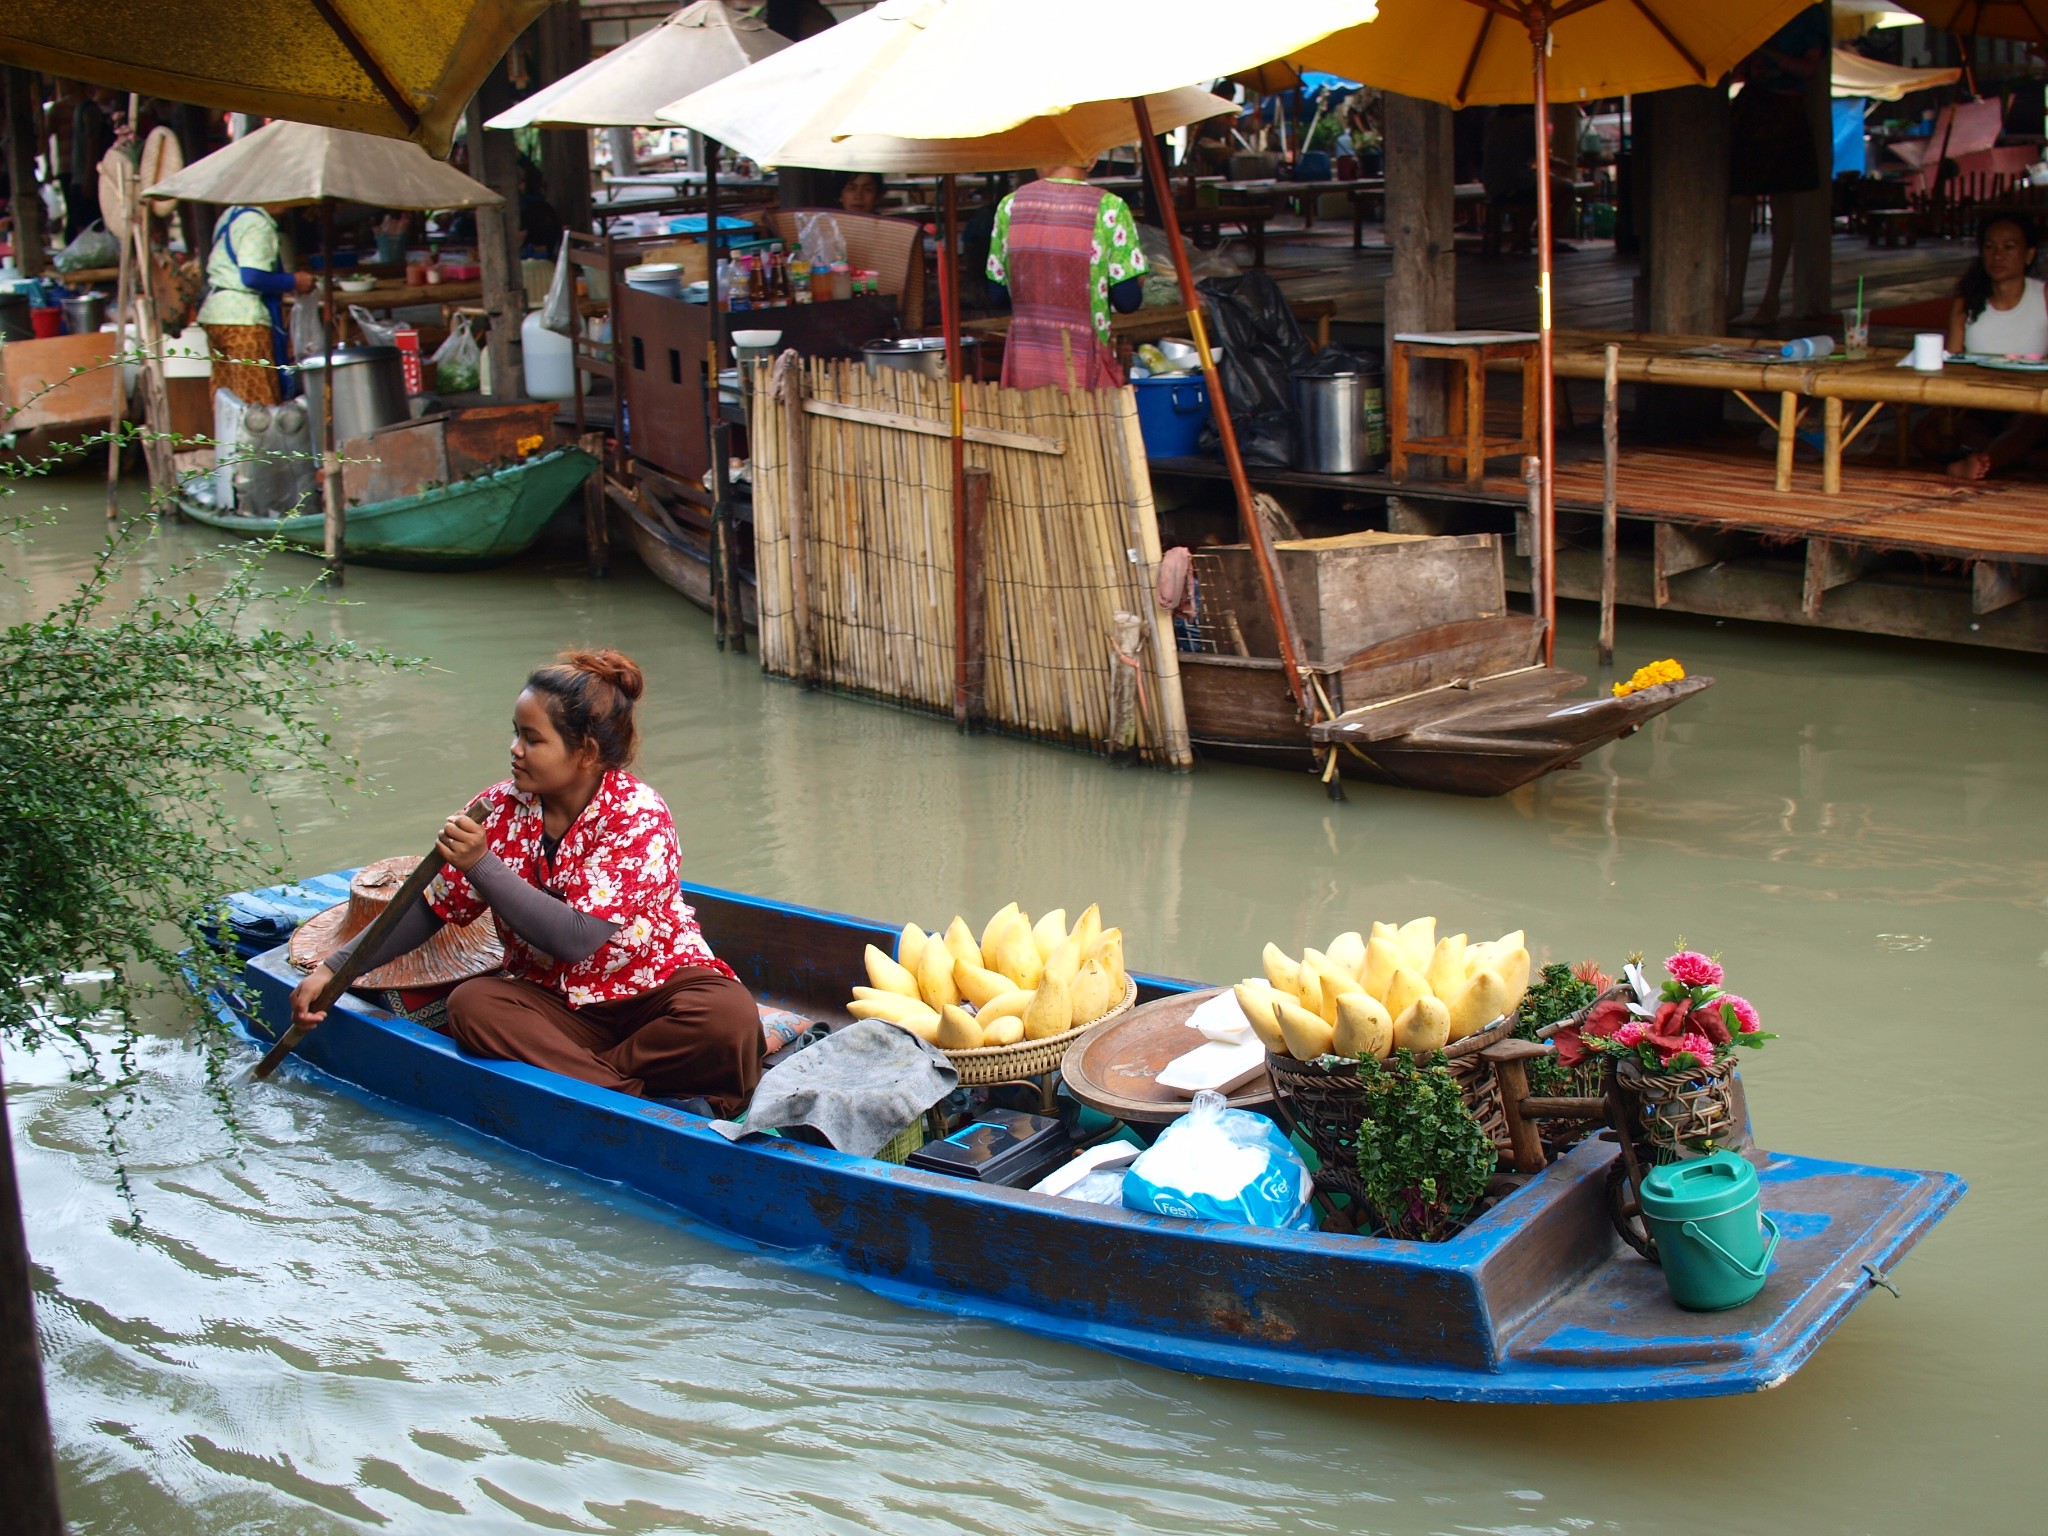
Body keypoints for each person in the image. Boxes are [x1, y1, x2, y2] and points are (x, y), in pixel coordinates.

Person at [289, 650, 766, 1116]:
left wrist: (482, 864)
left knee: (727, 1017)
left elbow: (575, 938)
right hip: (555, 1002)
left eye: (533, 740)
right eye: (516, 734)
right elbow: (431, 908)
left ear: (586, 752)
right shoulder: (497, 809)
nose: (515, 750)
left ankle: (591, 1081)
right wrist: (335, 969)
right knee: (474, 1007)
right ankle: (636, 1101)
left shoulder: (638, 815)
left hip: (654, 990)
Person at [986, 165, 1147, 390]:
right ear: (1091, 159)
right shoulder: (1109, 207)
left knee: (1030, 423)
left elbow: (998, 295)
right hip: (1085, 365)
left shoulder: (1010, 206)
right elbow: (1127, 300)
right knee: (1088, 423)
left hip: (1027, 363)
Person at [1919, 215, 2048, 480]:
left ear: (2029, 254)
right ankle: (2009, 457)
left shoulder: (2044, 296)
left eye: (2009, 247)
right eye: (1990, 247)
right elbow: (1952, 366)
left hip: (2029, 403)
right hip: (1979, 403)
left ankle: (1977, 460)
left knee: (2029, 425)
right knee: (1926, 431)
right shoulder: (1967, 304)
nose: (1997, 256)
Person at [1725, 5, 1828, 325]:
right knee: (1738, 200)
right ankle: (1734, 295)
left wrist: (1766, 50)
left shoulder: (1808, 13)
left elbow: (1808, 68)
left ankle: (1771, 297)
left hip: (1785, 107)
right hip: (1754, 104)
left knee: (1782, 201)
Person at [196, 202, 312, 407]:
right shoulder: (258, 224)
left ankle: (231, 439)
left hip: (217, 316)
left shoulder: (231, 216)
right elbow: (252, 276)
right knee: (258, 406)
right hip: (243, 321)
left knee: (229, 404)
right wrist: (293, 281)